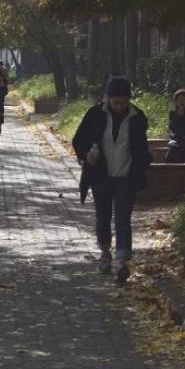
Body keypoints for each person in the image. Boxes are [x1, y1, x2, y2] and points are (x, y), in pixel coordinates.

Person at [72, 77, 152, 283]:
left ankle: (122, 261)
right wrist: (87, 155)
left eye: (124, 102)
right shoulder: (95, 115)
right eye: (116, 102)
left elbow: (142, 148)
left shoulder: (137, 117)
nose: (120, 106)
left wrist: (141, 167)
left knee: (123, 218)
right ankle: (105, 253)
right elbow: (79, 140)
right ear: (108, 98)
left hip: (126, 176)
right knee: (103, 215)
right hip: (101, 175)